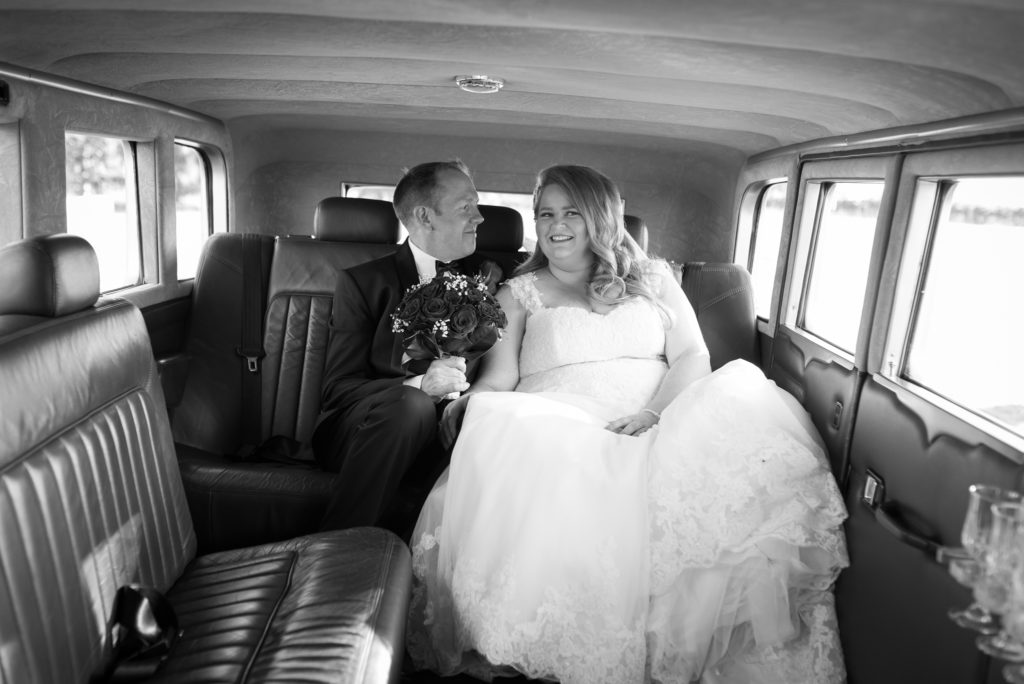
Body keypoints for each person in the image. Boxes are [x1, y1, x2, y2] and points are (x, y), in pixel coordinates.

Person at [406, 165, 850, 684]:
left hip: (660, 410)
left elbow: (691, 356)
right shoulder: (518, 293)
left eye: (571, 211)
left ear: (600, 218)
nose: (555, 225)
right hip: (558, 416)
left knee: (739, 405)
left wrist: (653, 414)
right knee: (522, 431)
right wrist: (469, 403)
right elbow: (501, 378)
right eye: (545, 213)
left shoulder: (656, 280)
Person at [313, 159, 495, 532]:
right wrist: (420, 387)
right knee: (411, 405)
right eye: (466, 207)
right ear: (425, 217)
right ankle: (336, 549)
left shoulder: (491, 277)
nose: (479, 217)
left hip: (457, 432)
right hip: (369, 428)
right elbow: (338, 389)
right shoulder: (363, 283)